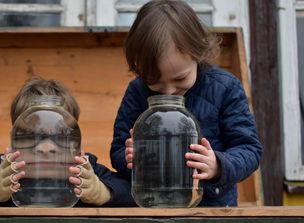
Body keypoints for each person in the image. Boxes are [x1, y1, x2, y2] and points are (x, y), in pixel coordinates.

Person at [110, 0, 262, 207]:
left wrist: (218, 165)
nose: (169, 91)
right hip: (151, 208)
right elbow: (118, 148)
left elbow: (249, 149)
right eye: (153, 82)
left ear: (198, 53)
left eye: (180, 79)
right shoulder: (137, 91)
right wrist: (130, 160)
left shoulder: (225, 88)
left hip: (213, 211)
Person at [0, 77, 135, 207]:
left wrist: (102, 192)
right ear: (15, 143)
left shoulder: (86, 172)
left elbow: (135, 192)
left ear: (74, 144)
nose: (47, 148)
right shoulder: (2, 173)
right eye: (31, 137)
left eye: (60, 136)